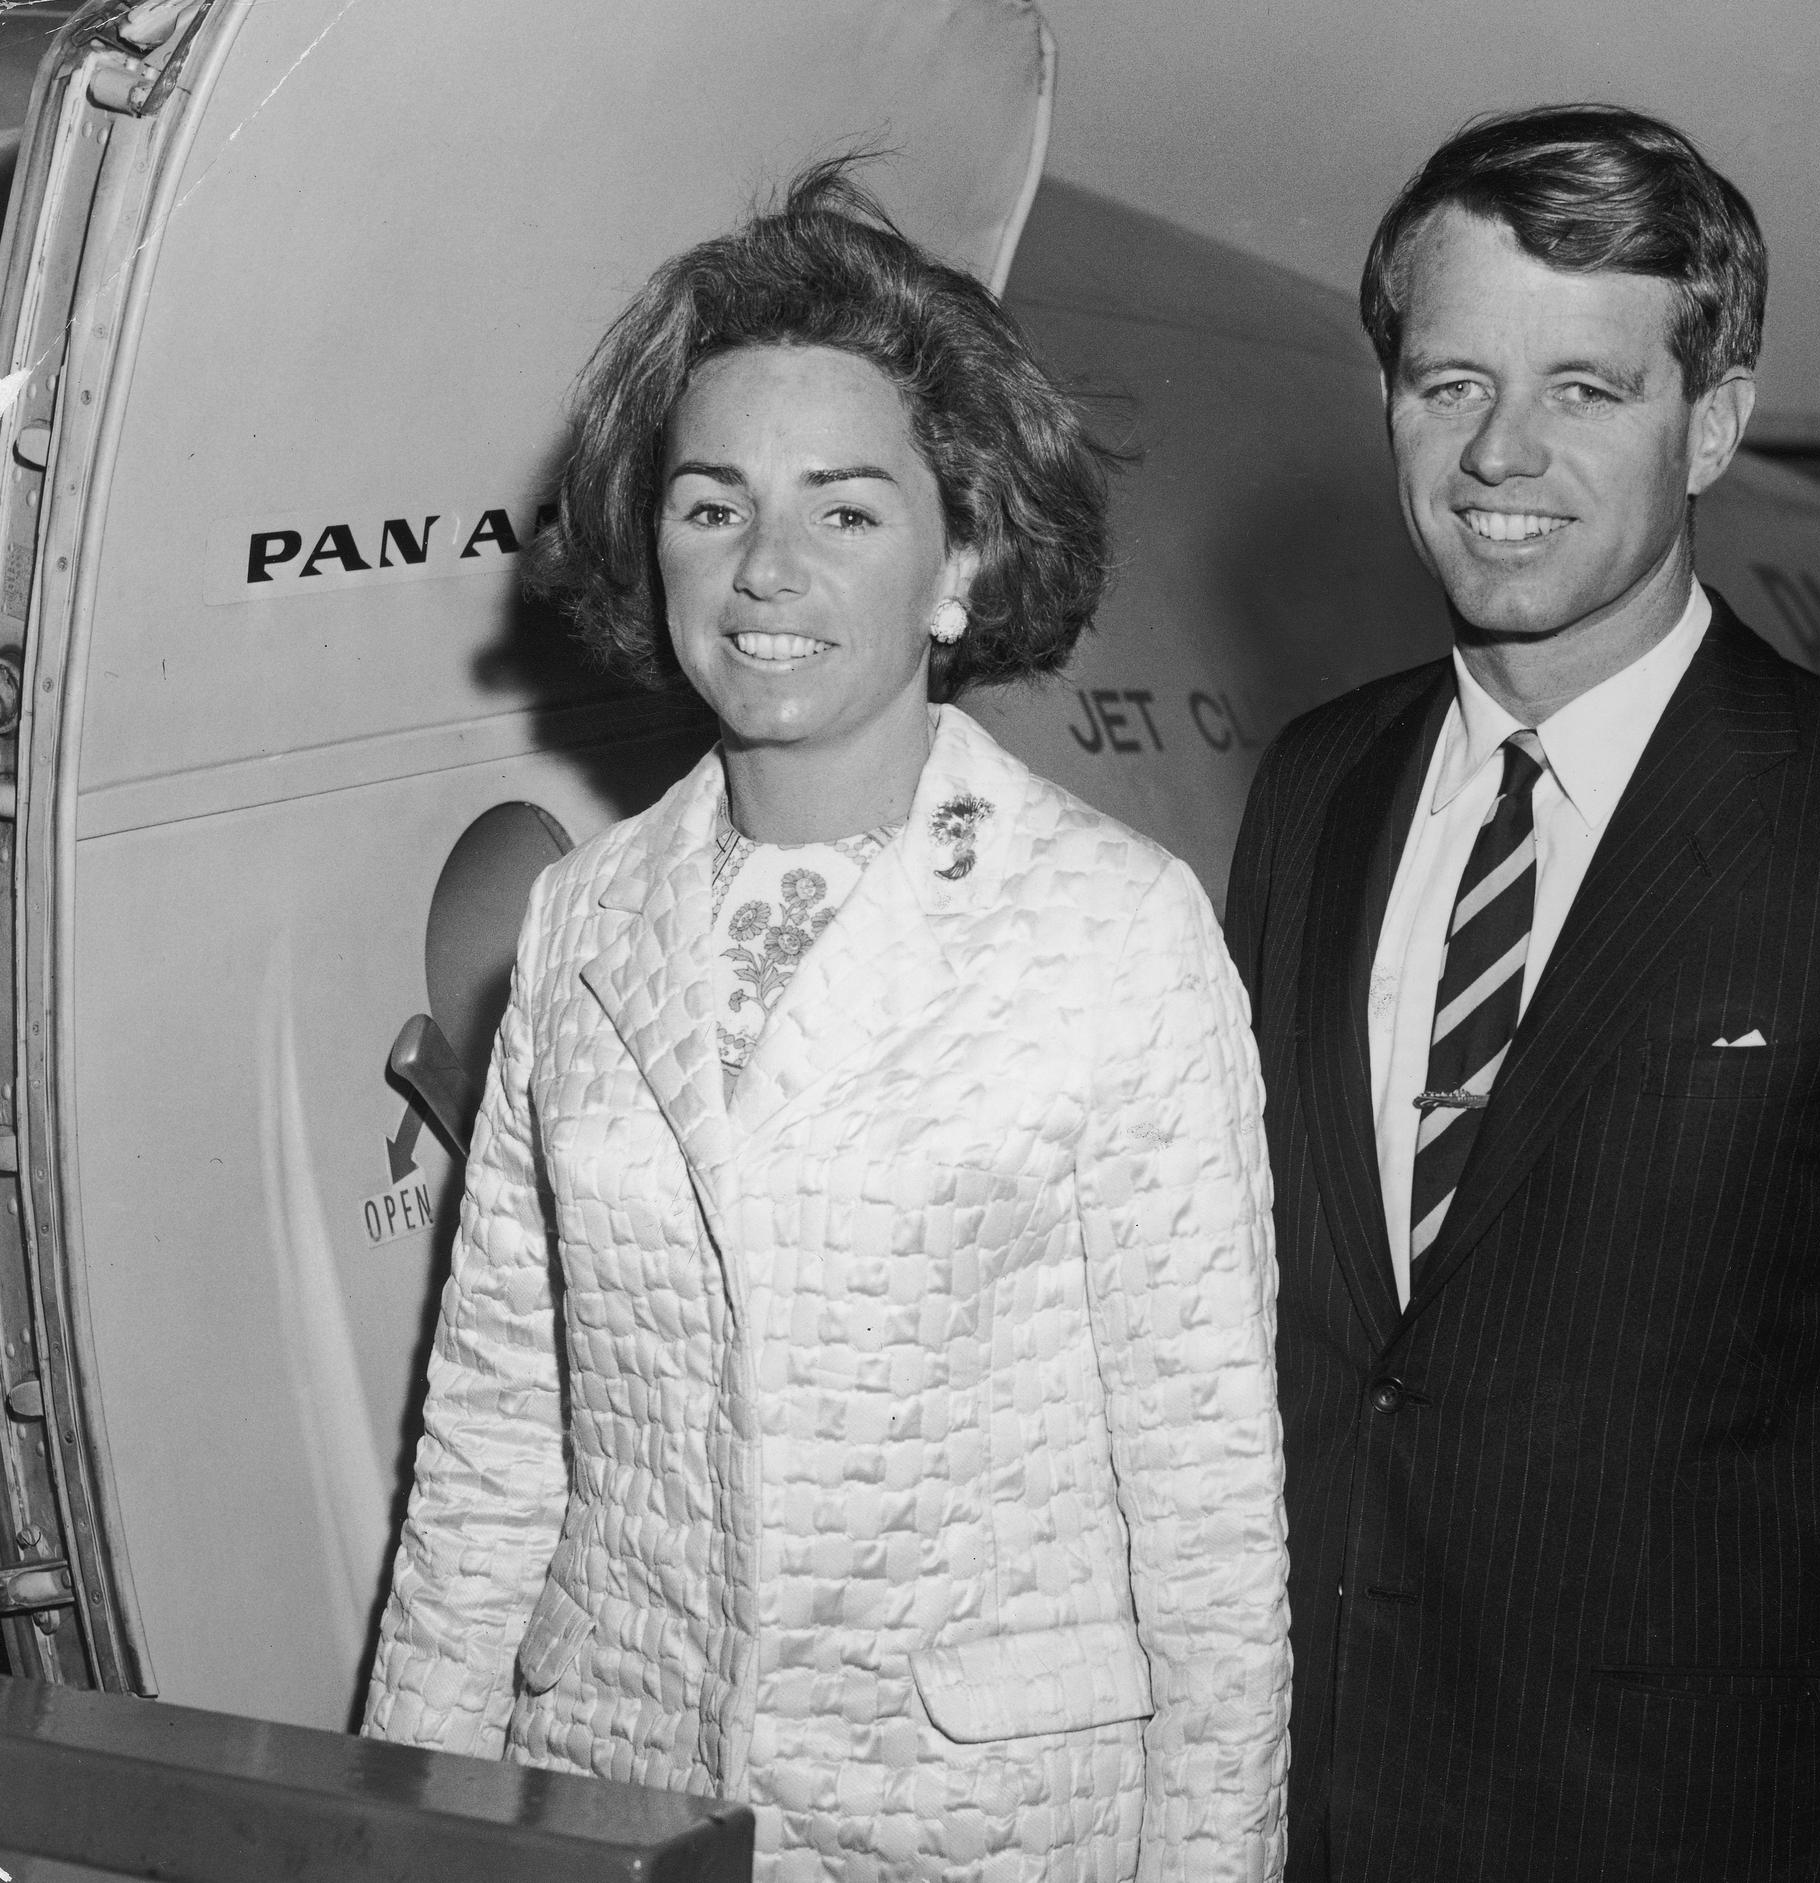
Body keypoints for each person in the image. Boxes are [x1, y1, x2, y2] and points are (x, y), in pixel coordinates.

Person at [364, 162, 1290, 1882]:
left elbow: (1212, 1528)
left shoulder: (1117, 930)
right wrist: (405, 1837)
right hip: (617, 1797)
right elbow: (493, 1450)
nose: (767, 568)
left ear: (964, 560)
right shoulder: (580, 919)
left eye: (847, 511)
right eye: (712, 506)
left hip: (980, 1829)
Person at [1224, 105, 1820, 1883]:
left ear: (1716, 427)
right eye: (1449, 382)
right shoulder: (1315, 787)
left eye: (1587, 391)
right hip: (1291, 1811)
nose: (1498, 455)